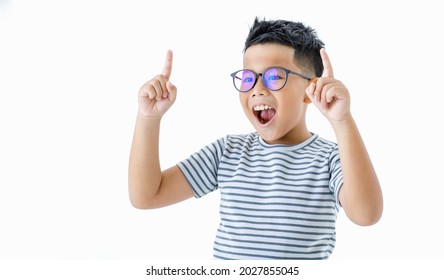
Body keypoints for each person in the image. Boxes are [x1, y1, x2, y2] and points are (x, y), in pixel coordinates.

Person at [128, 17, 383, 260]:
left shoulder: (330, 159)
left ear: (310, 90)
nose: (257, 89)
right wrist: (148, 119)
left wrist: (342, 120)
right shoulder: (227, 151)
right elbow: (147, 196)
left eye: (274, 77)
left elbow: (366, 214)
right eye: (248, 78)